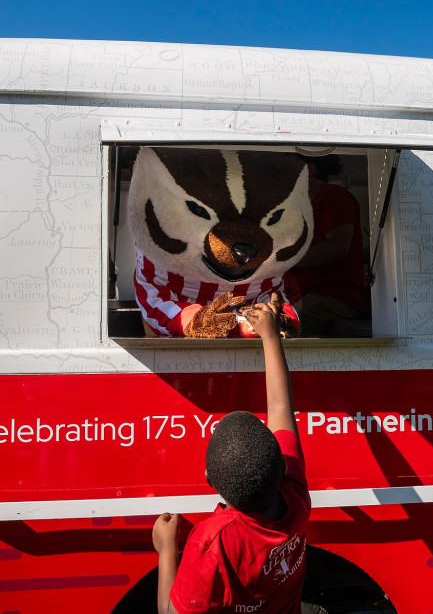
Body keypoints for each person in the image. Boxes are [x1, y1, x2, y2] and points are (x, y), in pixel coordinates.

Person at [153, 294, 311, 613]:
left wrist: (167, 548)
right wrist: (269, 337)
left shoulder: (212, 541)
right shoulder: (296, 497)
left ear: (209, 479)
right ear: (281, 467)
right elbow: (280, 407)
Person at [287, 155, 370, 337]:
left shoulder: (333, 196)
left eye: (287, 165)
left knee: (285, 324)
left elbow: (337, 247)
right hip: (302, 295)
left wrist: (287, 261)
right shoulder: (298, 207)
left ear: (309, 169)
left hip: (336, 296)